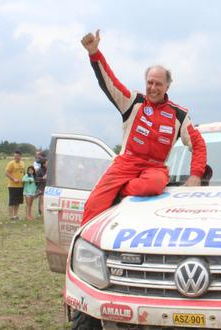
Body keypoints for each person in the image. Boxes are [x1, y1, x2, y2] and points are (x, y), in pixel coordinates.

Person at [79, 29, 207, 225]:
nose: (153, 88)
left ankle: (120, 191)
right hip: (125, 163)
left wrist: (196, 175)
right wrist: (94, 53)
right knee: (93, 204)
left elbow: (198, 144)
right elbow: (109, 82)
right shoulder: (133, 101)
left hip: (154, 168)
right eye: (150, 83)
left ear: (167, 87)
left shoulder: (179, 115)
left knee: (154, 185)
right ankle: (81, 249)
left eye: (158, 84)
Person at [5, 150, 25, 220]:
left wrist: (25, 180)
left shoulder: (23, 163)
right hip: (12, 186)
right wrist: (13, 179)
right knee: (12, 202)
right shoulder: (11, 163)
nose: (16, 157)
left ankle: (15, 215)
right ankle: (11, 216)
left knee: (18, 202)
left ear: (20, 156)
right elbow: (6, 173)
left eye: (17, 156)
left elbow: (24, 173)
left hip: (21, 186)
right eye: (15, 156)